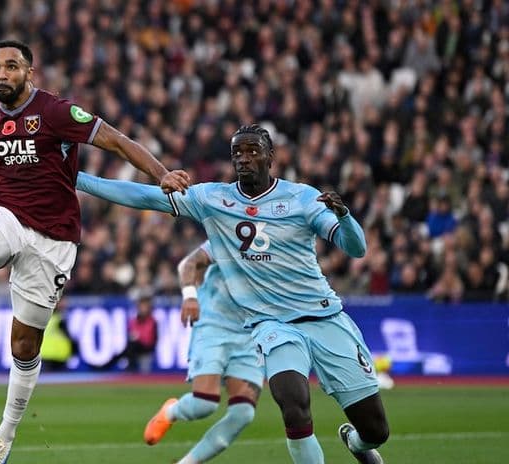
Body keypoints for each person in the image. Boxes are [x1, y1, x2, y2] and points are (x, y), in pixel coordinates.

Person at [0, 38, 191, 464]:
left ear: (30, 72)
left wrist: (161, 173)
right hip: (5, 216)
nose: (1, 74)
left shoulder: (57, 112)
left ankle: (4, 438)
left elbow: (116, 141)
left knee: (23, 347)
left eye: (10, 66)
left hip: (54, 240)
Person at [75, 124, 389, 464]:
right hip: (273, 326)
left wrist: (343, 216)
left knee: (376, 431)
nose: (244, 158)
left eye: (253, 151)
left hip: (325, 317)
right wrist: (74, 177)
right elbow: (141, 197)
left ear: (272, 157)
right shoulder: (213, 199)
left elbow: (355, 248)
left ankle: (357, 444)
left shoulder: (301, 198)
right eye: (237, 152)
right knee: (293, 407)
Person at [143, 241, 263, 463]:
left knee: (243, 413)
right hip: (214, 324)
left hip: (251, 333)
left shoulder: (289, 242)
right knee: (204, 404)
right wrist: (190, 296)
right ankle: (171, 411)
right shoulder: (233, 230)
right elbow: (188, 264)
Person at [100, 288, 158, 373]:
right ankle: (123, 365)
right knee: (130, 346)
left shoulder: (152, 321)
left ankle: (111, 365)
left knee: (130, 347)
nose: (143, 308)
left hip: (146, 348)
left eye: (145, 306)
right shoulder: (134, 320)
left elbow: (150, 340)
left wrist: (138, 336)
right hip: (134, 348)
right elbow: (131, 334)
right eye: (141, 306)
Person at [39, 300, 77, 372]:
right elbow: (69, 337)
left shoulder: (43, 318)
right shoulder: (60, 319)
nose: (64, 304)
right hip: (59, 355)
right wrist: (74, 349)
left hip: (45, 354)